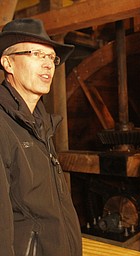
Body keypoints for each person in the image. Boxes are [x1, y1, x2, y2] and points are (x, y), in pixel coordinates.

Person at [0, 18, 82, 255]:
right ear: (8, 63)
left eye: (51, 57)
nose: (48, 64)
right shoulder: (4, 126)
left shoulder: (40, 125)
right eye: (36, 54)